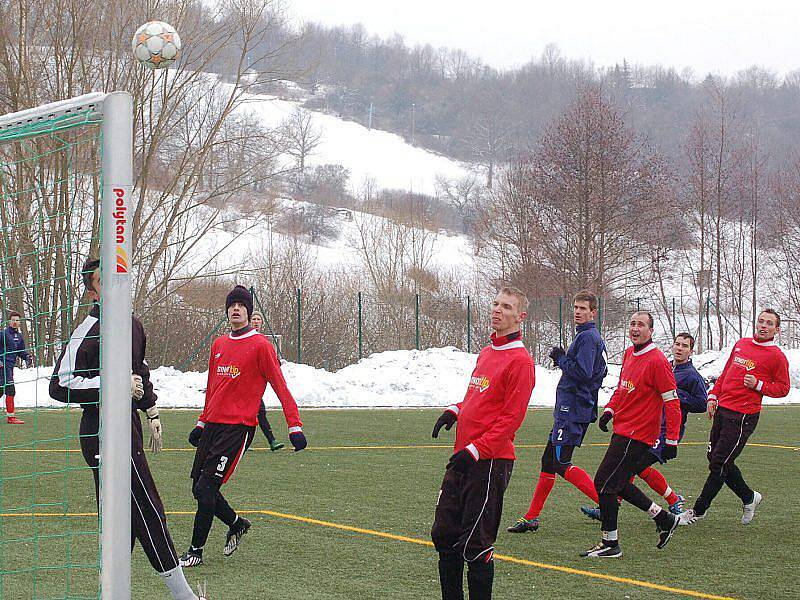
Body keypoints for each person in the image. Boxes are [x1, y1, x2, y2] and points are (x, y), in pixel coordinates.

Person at [49, 259, 204, 600]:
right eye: (103, 281)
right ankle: (185, 597)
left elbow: (140, 371)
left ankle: (109, 593)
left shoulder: (133, 326)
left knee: (122, 523)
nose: (113, 286)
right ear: (92, 289)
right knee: (147, 508)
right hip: (101, 433)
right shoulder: (87, 330)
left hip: (129, 427)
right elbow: (59, 386)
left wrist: (151, 408)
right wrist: (112, 385)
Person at [181, 285, 306, 568]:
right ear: (226, 310)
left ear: (249, 311)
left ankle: (195, 551)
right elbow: (213, 387)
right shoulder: (219, 345)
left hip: (238, 427)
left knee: (205, 488)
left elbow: (280, 387)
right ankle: (237, 523)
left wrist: (294, 426)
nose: (236, 309)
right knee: (199, 489)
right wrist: (201, 422)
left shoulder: (262, 345)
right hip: (213, 425)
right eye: (232, 305)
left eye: (241, 305)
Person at [430, 286, 535, 600]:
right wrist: (455, 410)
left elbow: (510, 420)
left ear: (521, 316)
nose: (497, 310)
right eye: (495, 304)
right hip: (463, 458)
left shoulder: (520, 361)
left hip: (489, 462)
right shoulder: (487, 353)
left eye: (506, 306)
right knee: (444, 535)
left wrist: (476, 450)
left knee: (475, 544)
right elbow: (476, 398)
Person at [582, 311, 682, 558]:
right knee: (618, 483)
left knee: (604, 483)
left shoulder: (657, 361)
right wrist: (610, 410)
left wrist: (671, 439)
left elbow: (672, 402)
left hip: (637, 434)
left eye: (641, 325)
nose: (635, 328)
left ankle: (610, 543)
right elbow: (622, 389)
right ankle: (664, 518)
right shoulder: (629, 353)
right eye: (632, 324)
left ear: (651, 331)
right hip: (623, 429)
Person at [507, 290, 606, 534]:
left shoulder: (588, 338)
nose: (577, 312)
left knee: (561, 463)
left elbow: (583, 373)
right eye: (575, 307)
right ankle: (532, 517)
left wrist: (561, 358)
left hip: (573, 409)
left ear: (593, 312)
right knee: (548, 462)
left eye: (583, 308)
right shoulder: (586, 336)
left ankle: (607, 503)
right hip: (569, 408)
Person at [679, 309, 790, 527]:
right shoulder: (742, 344)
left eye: (769, 323)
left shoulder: (776, 356)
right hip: (723, 409)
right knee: (716, 460)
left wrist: (758, 385)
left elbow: (784, 388)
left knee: (719, 464)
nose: (763, 326)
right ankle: (749, 497)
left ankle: (699, 510)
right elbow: (726, 373)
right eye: (761, 321)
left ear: (776, 330)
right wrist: (713, 396)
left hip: (743, 416)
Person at [581, 332, 707, 521]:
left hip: (666, 431)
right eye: (677, 344)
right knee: (629, 467)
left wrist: (676, 394)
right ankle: (612, 504)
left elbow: (701, 403)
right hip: (651, 426)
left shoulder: (691, 375)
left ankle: (671, 502)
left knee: (632, 467)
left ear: (691, 351)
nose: (680, 348)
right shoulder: (666, 366)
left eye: (685, 346)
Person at [250, 310, 284, 451]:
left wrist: (275, 363)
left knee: (258, 413)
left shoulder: (263, 340)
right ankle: (271, 441)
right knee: (252, 415)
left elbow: (268, 358)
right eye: (254, 319)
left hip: (255, 387)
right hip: (243, 384)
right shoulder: (243, 338)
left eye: (258, 319)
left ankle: (271, 441)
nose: (256, 321)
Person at [2, 310, 33, 424]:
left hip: (10, 367)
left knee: (2, 391)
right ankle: (11, 418)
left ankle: (11, 417)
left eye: (17, 320)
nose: (15, 322)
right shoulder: (3, 334)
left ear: (20, 322)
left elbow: (20, 351)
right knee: (10, 390)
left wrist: (27, 357)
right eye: (13, 320)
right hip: (2, 367)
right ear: (9, 321)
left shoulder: (19, 336)